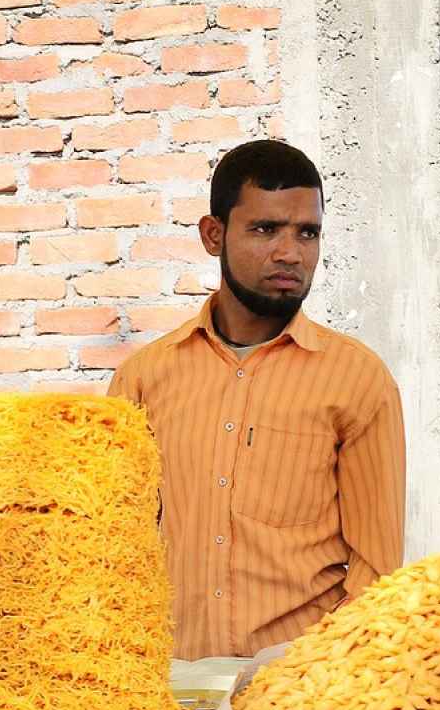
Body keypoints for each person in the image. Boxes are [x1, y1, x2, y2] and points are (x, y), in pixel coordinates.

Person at [108, 139, 405, 659]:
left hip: (300, 697)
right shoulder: (144, 380)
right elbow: (117, 552)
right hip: (173, 693)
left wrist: (323, 684)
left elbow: (376, 571)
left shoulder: (356, 380)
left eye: (307, 233)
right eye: (266, 229)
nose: (290, 252)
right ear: (213, 234)